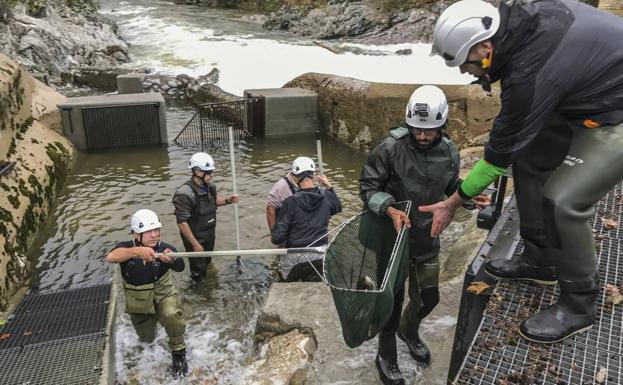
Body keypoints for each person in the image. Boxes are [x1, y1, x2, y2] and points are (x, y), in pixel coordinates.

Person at [425, 0, 623, 344]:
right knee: (529, 159)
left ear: (486, 48)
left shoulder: (529, 72)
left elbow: (497, 155)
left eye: (465, 63)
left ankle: (579, 304)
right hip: (586, 93)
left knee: (562, 201)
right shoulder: (521, 22)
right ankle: (541, 259)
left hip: (614, 110)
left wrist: (453, 201)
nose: (462, 72)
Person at [360, 85, 472, 385]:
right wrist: (389, 209)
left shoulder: (449, 150)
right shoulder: (389, 148)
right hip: (392, 238)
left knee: (428, 297)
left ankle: (408, 331)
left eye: (430, 131)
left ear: (442, 125)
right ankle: (385, 354)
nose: (422, 136)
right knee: (391, 304)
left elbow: (449, 187)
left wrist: (467, 196)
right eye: (416, 130)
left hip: (426, 236)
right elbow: (368, 188)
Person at [105, 209, 188, 377]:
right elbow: (111, 257)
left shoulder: (165, 249)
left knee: (171, 315)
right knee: (146, 339)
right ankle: (149, 350)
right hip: (139, 303)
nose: (153, 235)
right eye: (148, 231)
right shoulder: (126, 248)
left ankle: (178, 353)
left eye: (156, 230)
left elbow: (180, 266)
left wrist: (172, 259)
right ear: (136, 234)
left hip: (163, 296)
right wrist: (136, 252)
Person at [172, 152, 240, 282]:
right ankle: (198, 291)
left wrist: (228, 200)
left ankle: (207, 280)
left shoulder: (210, 187)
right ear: (197, 172)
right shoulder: (185, 194)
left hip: (209, 233)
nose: (212, 175)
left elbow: (214, 202)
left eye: (212, 172)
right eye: (208, 172)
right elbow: (182, 222)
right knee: (198, 271)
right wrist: (195, 244)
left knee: (207, 261)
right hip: (195, 237)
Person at [271, 157, 342, 281]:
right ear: (313, 175)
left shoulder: (290, 202)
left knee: (285, 287)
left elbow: (278, 238)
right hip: (319, 254)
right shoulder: (326, 197)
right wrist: (329, 187)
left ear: (295, 177)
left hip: (295, 256)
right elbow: (337, 207)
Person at [265, 160, 302, 233]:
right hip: (285, 226)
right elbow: (270, 209)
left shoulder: (304, 183)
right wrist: (274, 234)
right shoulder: (281, 186)